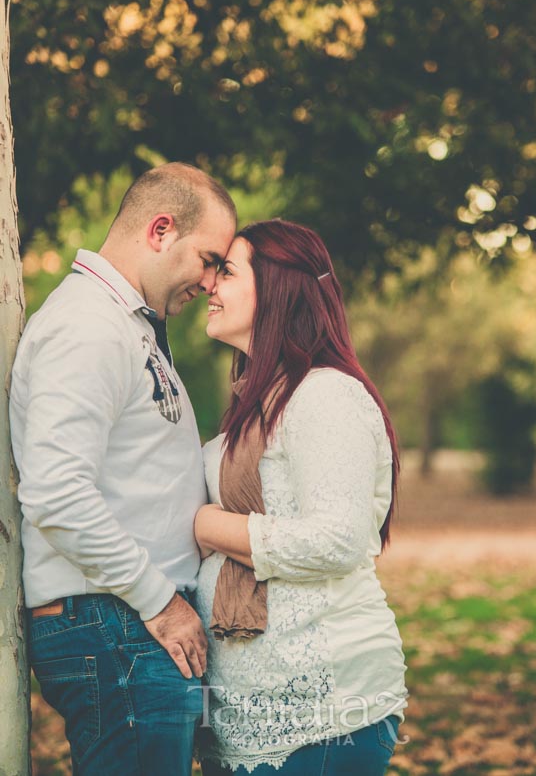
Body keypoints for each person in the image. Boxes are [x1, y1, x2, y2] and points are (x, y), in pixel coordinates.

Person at [9, 162, 236, 776]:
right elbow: (56, 495)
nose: (213, 282)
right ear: (161, 230)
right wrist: (160, 602)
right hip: (118, 622)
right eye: (210, 259)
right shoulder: (88, 327)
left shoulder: (125, 326)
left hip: (126, 623)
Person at [194, 219, 408, 776]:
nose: (210, 285)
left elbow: (337, 540)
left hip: (325, 715)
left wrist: (208, 526)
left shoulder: (325, 395)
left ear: (277, 288)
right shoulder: (257, 402)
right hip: (243, 715)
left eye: (227, 271)